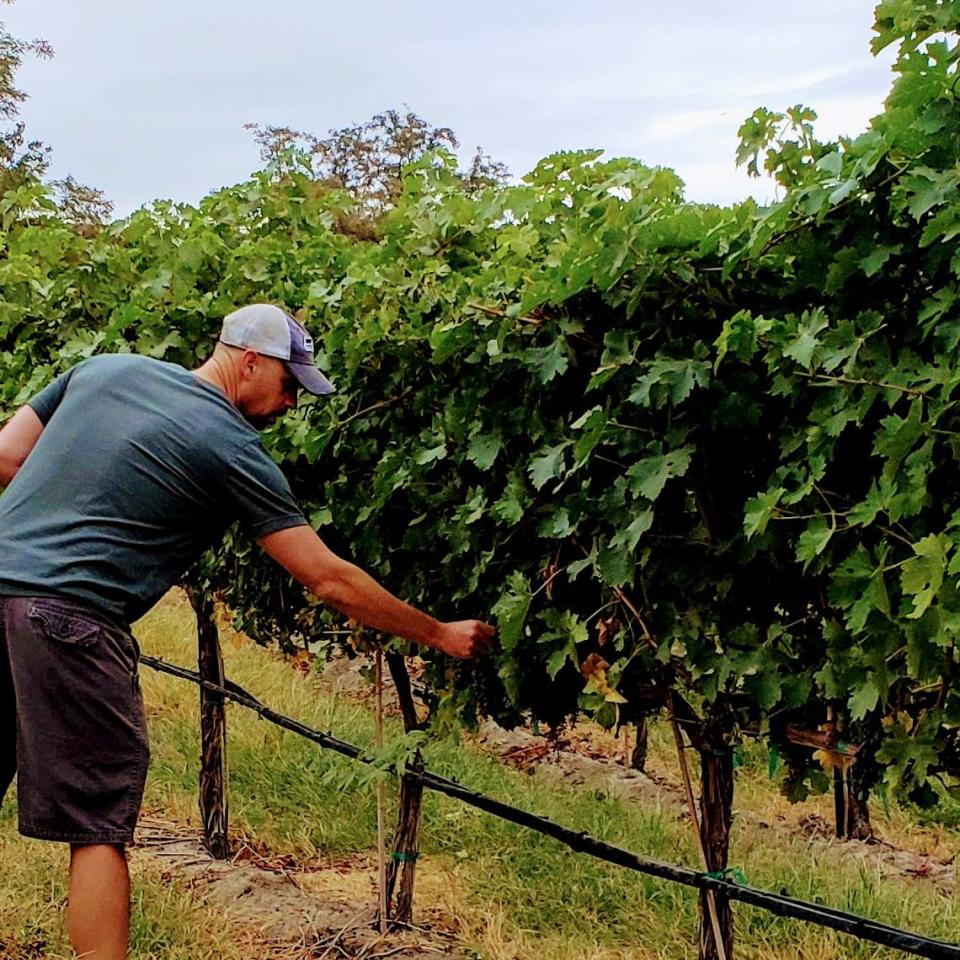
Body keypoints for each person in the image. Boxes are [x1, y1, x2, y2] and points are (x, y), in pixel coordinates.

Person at [0, 303, 496, 960]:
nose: (293, 401)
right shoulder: (229, 446)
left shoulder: (103, 371)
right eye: (290, 384)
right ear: (250, 361)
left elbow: (7, 456)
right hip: (68, 620)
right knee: (96, 825)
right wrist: (438, 634)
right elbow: (327, 578)